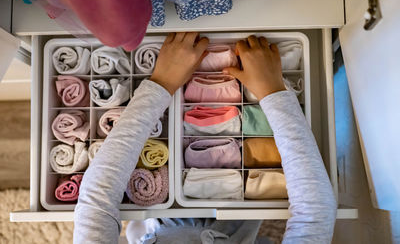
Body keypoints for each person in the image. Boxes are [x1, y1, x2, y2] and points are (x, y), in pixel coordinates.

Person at [73, 32, 337, 244]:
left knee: (139, 228)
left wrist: (162, 83)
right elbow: (314, 216)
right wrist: (272, 91)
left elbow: (96, 203)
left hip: (159, 229)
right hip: (237, 225)